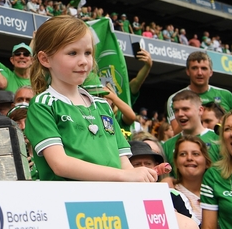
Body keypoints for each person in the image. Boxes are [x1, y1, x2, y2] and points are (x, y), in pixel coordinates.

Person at [24, 15, 156, 182]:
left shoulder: (103, 106)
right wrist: (124, 176)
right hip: (69, 205)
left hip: (112, 203)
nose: (84, 61)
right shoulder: (43, 105)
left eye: (88, 53)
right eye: (72, 53)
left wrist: (141, 178)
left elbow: (124, 163)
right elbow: (60, 164)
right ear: (45, 59)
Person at [166, 51, 232, 133]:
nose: (199, 73)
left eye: (204, 68)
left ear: (211, 72)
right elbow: (176, 134)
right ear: (188, 71)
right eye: (194, 68)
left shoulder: (226, 95)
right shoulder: (174, 99)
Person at [162, 90, 221, 172]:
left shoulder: (218, 140)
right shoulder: (167, 145)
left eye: (185, 109)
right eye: (176, 110)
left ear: (200, 110)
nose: (180, 114)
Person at [164, 134, 211, 225]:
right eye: (183, 154)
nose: (189, 158)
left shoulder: (216, 191)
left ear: (207, 162)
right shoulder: (170, 193)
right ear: (176, 163)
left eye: (195, 154)